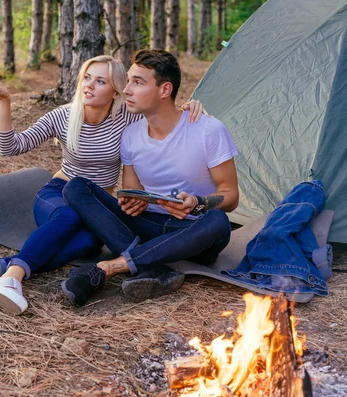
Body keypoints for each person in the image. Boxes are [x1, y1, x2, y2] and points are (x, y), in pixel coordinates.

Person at [0, 55, 206, 315]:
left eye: (100, 81)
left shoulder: (127, 118)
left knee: (87, 244)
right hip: (58, 193)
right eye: (86, 78)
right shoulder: (63, 116)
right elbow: (10, 147)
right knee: (68, 216)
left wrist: (190, 108)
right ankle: (13, 277)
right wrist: (5, 101)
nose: (89, 85)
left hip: (96, 207)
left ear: (116, 90)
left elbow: (162, 114)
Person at [61, 49, 239, 307]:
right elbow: (132, 193)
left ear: (164, 90)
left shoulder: (208, 130)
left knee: (219, 221)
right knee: (76, 187)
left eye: (138, 82)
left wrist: (197, 202)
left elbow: (231, 196)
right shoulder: (131, 134)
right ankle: (154, 267)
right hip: (148, 226)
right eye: (128, 81)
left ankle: (113, 266)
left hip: (191, 229)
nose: (127, 90)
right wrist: (132, 202)